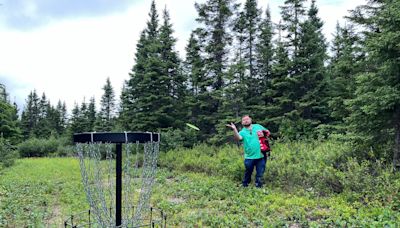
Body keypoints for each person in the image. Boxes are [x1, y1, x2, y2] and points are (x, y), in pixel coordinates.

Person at [226, 115, 269, 188]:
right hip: (249, 156)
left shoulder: (258, 126)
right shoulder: (242, 132)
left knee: (260, 172)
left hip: (261, 154)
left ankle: (259, 187)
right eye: (244, 120)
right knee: (248, 171)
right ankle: (245, 185)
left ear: (251, 120)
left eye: (247, 119)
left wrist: (264, 134)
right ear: (242, 123)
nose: (246, 121)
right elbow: (238, 138)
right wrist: (234, 129)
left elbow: (267, 132)